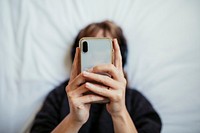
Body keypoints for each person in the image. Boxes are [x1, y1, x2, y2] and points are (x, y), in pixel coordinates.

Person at [30, 20, 162, 133]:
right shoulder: (58, 97)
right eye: (92, 51)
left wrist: (119, 113)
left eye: (104, 51)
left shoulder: (136, 101)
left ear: (120, 57)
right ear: (77, 55)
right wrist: (73, 120)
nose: (97, 60)